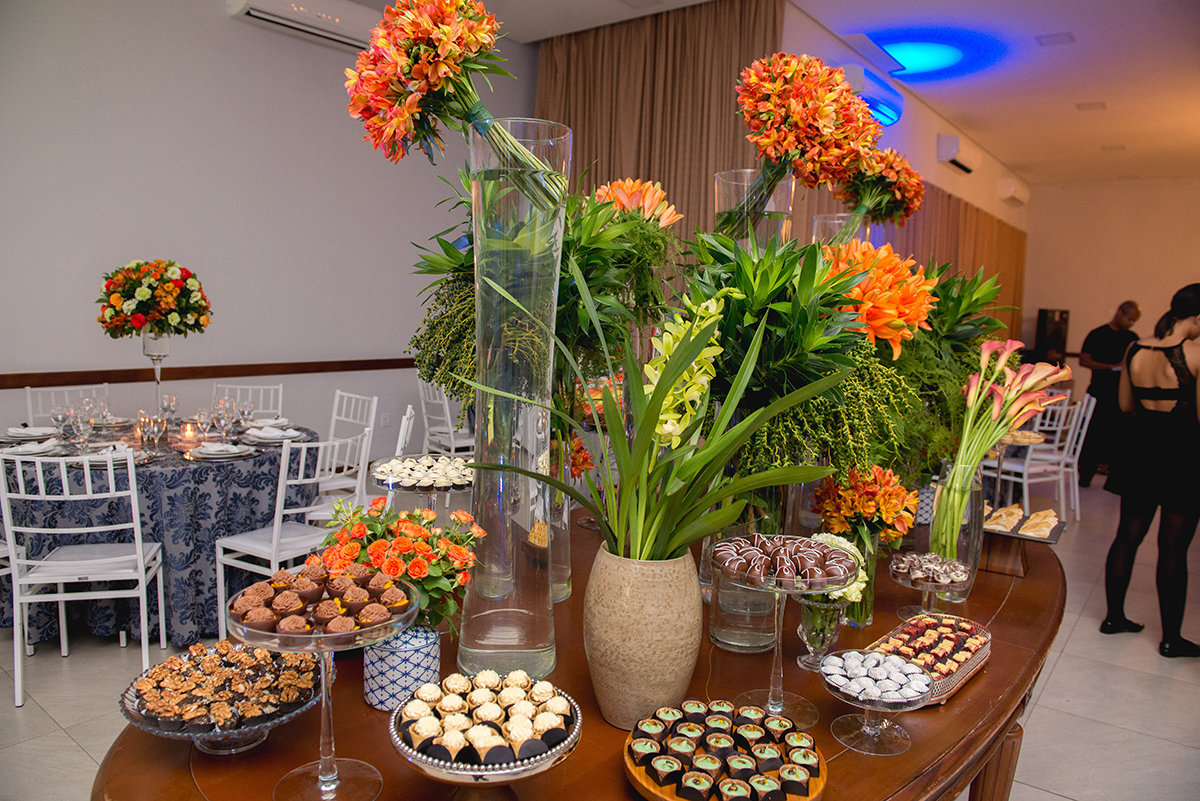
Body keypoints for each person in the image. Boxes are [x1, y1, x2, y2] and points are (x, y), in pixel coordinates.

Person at [1101, 285, 1200, 657]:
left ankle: (1114, 618)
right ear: (1197, 319)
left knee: (1127, 536)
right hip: (1183, 456)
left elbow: (1126, 403)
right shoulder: (1196, 353)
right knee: (1173, 548)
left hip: (1140, 451)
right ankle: (1171, 639)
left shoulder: (1136, 347)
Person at [1077, 301, 1141, 486]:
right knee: (1093, 434)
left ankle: (1115, 477)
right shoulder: (1098, 334)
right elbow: (1084, 360)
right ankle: (1086, 473)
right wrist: (1111, 367)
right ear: (1120, 312)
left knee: (1120, 436)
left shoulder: (1132, 338)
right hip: (1099, 392)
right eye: (1129, 318)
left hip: (1122, 395)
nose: (1130, 323)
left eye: (1134, 321)